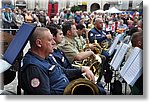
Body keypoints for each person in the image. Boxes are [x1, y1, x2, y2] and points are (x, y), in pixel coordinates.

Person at [20, 27, 105, 95]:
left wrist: (82, 69)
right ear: (39, 43)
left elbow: (63, 71)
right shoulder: (34, 67)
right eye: (50, 40)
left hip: (67, 87)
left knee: (99, 87)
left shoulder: (45, 57)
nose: (53, 42)